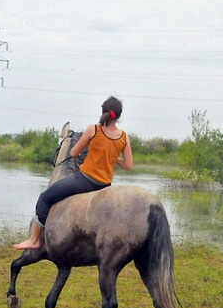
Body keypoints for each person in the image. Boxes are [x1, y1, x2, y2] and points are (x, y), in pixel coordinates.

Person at [13, 96, 134, 250]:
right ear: (118, 116)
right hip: (105, 186)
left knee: (44, 198)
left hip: (85, 181)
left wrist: (80, 150)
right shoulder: (123, 136)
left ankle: (34, 239)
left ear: (103, 111)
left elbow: (75, 152)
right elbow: (128, 165)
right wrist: (113, 156)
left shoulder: (93, 129)